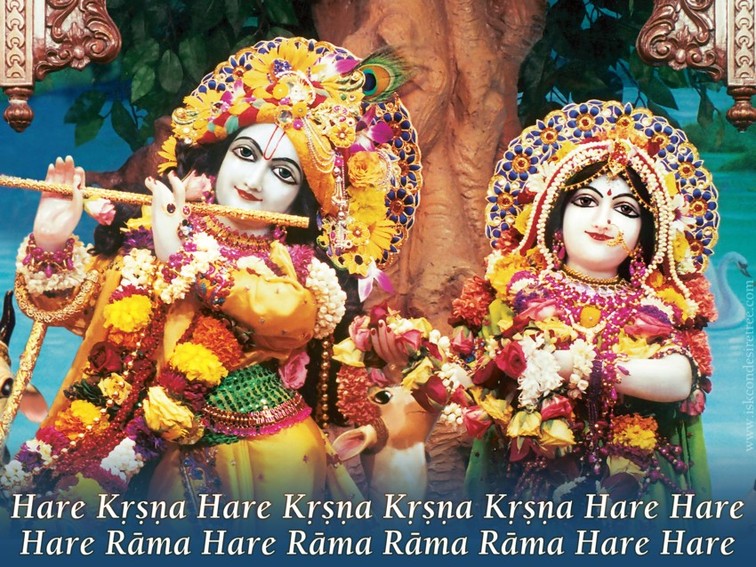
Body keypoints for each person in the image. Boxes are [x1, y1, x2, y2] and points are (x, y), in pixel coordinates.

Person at [0, 37, 423, 516]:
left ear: (303, 199)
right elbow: (79, 310)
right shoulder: (150, 242)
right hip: (145, 449)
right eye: (245, 154)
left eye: (283, 174)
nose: (254, 180)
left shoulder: (291, 269)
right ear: (218, 159)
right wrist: (51, 243)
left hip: (269, 460)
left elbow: (286, 315)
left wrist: (179, 254)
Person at [450, 100, 717, 508]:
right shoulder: (517, 295)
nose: (603, 220)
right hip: (532, 489)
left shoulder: (655, 307)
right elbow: (473, 379)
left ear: (646, 236)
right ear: (554, 214)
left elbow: (680, 379)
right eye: (586, 201)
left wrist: (580, 366)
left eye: (625, 209)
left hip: (633, 495)